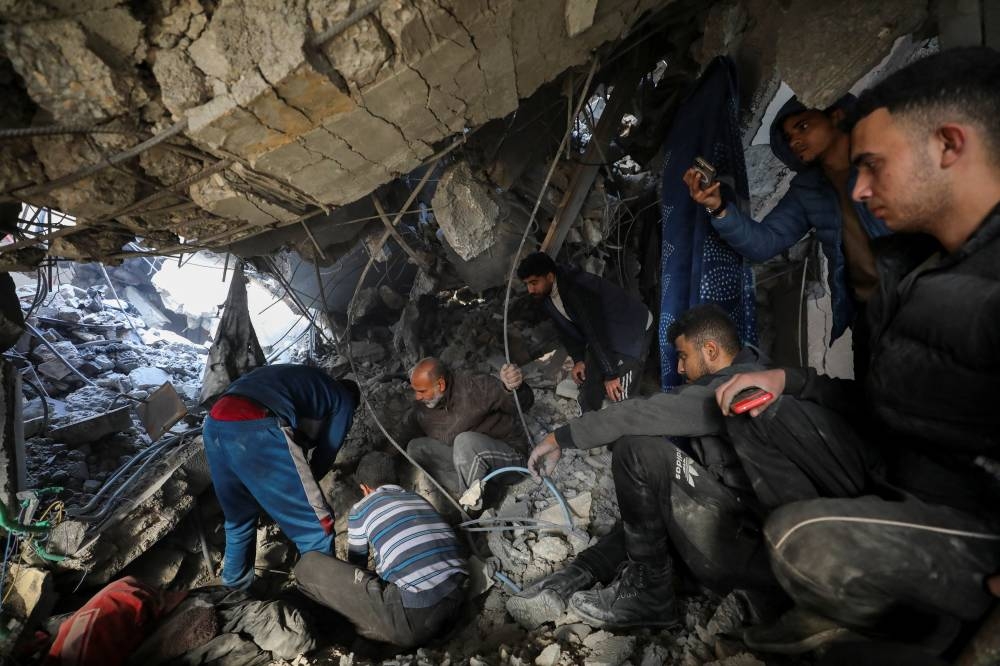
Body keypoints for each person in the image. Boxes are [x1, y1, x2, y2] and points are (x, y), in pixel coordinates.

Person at [714, 47, 1000, 655]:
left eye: (872, 165)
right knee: (758, 410)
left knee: (803, 542)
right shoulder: (906, 269)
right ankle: (839, 589)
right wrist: (790, 383)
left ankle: (904, 625)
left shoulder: (974, 284)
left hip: (966, 521)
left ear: (949, 146)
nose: (861, 187)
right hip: (900, 465)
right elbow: (884, 402)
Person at [509, 305, 877, 630]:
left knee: (639, 451)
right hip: (759, 538)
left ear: (711, 350)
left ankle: (649, 597)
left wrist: (559, 438)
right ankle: (577, 574)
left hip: (764, 555)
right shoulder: (767, 375)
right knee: (658, 496)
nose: (681, 368)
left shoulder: (734, 389)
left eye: (683, 356)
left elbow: (641, 413)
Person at [684, 94, 891, 375]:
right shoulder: (808, 189)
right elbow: (764, 243)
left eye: (803, 126)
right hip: (868, 315)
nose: (794, 140)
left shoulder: (885, 160)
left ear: (837, 116)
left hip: (918, 298)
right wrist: (718, 208)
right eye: (788, 135)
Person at [201, 364, 359, 590]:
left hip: (214, 424)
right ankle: (322, 602)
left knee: (239, 518)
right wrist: (302, 493)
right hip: (255, 426)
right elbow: (326, 453)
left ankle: (234, 589)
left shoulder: (311, 383)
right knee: (316, 528)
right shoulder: (343, 400)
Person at [294, 452, 467, 648]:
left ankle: (338, 634)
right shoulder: (417, 498)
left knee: (306, 566)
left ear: (365, 488)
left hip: (413, 620)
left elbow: (356, 565)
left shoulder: (361, 508)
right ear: (396, 480)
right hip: (458, 596)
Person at [516, 252, 653, 412]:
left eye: (534, 282)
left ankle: (625, 428)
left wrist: (611, 374)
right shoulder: (546, 296)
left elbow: (594, 331)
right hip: (605, 332)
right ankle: (589, 426)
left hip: (630, 329)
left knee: (621, 393)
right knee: (589, 385)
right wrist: (579, 359)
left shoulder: (576, 289)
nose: (530, 289)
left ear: (550, 276)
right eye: (527, 284)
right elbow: (565, 329)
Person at [404, 357, 533, 502]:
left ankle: (469, 510)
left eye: (422, 391)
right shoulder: (423, 408)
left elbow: (522, 404)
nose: (417, 397)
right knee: (415, 448)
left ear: (440, 384)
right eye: (415, 391)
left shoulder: (475, 385)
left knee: (464, 442)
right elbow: (405, 430)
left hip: (508, 459)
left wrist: (512, 388)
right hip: (468, 462)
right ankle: (488, 491)